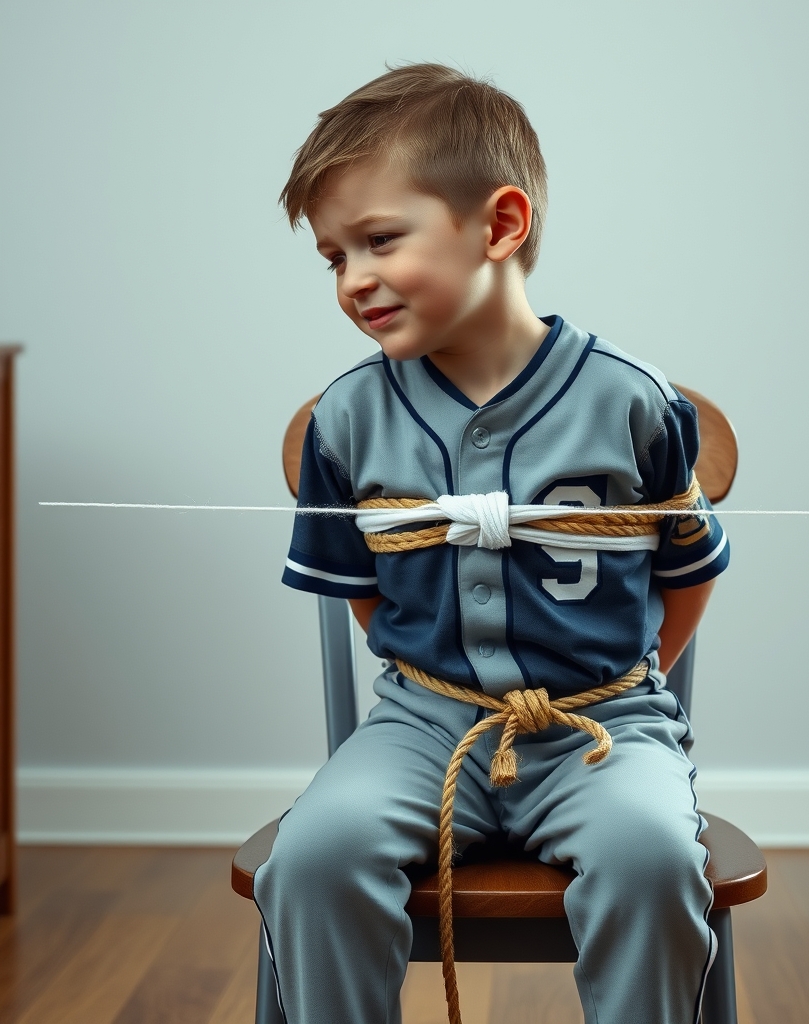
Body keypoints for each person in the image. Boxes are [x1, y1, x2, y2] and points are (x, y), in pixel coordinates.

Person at [255, 63, 730, 1024]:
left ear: (500, 226)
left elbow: (687, 571)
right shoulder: (348, 420)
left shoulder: (632, 400)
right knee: (310, 858)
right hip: (423, 723)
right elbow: (363, 594)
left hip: (603, 725)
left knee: (653, 855)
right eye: (333, 257)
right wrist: (435, 687)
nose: (353, 280)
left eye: (380, 241)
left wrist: (631, 681)